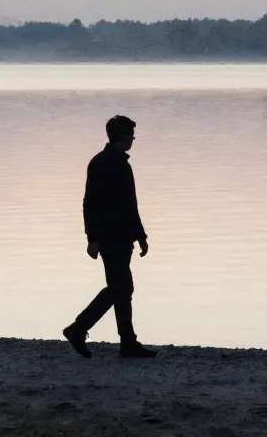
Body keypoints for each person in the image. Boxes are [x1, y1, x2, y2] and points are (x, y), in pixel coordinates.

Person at [63, 115, 158, 359]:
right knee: (120, 287)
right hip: (110, 237)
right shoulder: (103, 163)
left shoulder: (117, 163)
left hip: (122, 236)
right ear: (123, 136)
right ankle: (79, 329)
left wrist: (140, 235)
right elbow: (90, 203)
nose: (133, 139)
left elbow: (130, 204)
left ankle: (126, 342)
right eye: (132, 135)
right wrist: (92, 238)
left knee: (121, 287)